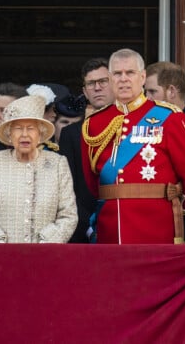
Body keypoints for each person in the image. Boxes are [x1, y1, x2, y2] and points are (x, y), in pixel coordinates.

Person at [81, 48, 185, 244]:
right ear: (110, 79)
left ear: (143, 77)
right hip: (110, 227)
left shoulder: (170, 117)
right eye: (117, 74)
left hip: (157, 226)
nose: (123, 79)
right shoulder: (94, 123)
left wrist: (184, 207)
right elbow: (91, 182)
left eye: (130, 73)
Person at [0, 95, 77, 243]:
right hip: (1, 257)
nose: (24, 135)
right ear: (9, 134)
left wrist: (46, 242)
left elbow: (68, 215)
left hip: (45, 256)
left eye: (31, 129)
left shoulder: (58, 164)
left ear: (40, 134)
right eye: (18, 129)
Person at [58, 57, 114, 243]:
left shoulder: (132, 127)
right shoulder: (71, 134)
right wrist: (89, 226)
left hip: (123, 222)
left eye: (103, 81)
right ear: (84, 91)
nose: (97, 88)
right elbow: (68, 188)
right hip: (83, 230)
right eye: (91, 83)